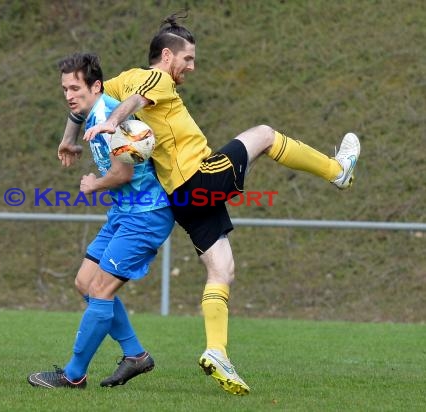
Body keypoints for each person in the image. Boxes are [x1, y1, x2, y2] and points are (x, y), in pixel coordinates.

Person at [80, 13, 361, 395]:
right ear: (167, 55)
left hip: (182, 200)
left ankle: (217, 352)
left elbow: (90, 98)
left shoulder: (122, 77)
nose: (191, 67)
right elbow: (133, 99)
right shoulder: (156, 77)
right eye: (188, 59)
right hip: (201, 177)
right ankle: (336, 171)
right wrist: (114, 123)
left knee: (222, 270)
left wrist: (70, 135)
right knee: (263, 134)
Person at [27, 53, 174, 389]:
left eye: (75, 88)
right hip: (124, 213)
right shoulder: (94, 107)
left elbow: (122, 173)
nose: (68, 95)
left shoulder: (110, 115)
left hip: (145, 215)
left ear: (96, 86)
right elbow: (76, 112)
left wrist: (94, 184)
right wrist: (68, 138)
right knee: (85, 283)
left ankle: (73, 374)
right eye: (64, 88)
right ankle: (136, 355)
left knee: (100, 289)